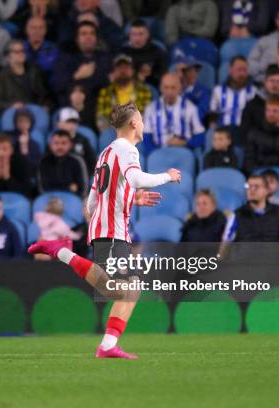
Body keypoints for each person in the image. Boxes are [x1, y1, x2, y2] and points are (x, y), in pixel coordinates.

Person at [29, 100, 181, 359]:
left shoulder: (106, 152)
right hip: (112, 229)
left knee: (128, 288)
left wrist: (132, 199)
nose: (143, 124)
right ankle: (62, 253)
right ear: (134, 123)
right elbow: (135, 179)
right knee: (118, 289)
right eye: (141, 119)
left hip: (106, 227)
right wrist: (167, 176)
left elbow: (93, 199)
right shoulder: (128, 150)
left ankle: (109, 345)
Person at [220, 174, 279, 260]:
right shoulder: (237, 214)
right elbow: (225, 244)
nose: (251, 190)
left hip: (273, 268)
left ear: (266, 190)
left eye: (256, 186)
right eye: (249, 186)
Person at [52, 21, 111, 106]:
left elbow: (107, 81)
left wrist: (88, 77)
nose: (88, 37)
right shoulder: (66, 59)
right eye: (83, 34)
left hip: (100, 106)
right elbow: (57, 85)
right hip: (70, 108)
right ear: (77, 39)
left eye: (92, 33)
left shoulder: (105, 58)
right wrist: (76, 76)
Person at [142, 73, 205, 152]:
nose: (169, 91)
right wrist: (155, 155)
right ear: (161, 88)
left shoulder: (191, 108)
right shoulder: (151, 109)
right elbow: (146, 137)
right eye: (166, 87)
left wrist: (184, 143)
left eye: (173, 88)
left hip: (183, 151)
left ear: (180, 88)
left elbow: (201, 136)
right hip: (159, 151)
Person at [96, 54, 152, 133]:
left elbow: (146, 114)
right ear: (114, 71)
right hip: (113, 131)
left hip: (135, 130)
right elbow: (101, 116)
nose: (123, 71)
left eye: (126, 68)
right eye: (119, 68)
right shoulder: (105, 92)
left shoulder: (143, 90)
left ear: (132, 71)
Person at [241, 65, 279, 137]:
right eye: (272, 81)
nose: (275, 85)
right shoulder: (252, 105)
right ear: (265, 82)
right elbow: (246, 131)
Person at [0, 40, 49, 112]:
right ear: (8, 57)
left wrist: (46, 106)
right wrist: (11, 106)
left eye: (22, 51)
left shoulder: (35, 71)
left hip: (35, 112)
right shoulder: (2, 77)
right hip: (15, 114)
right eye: (17, 52)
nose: (21, 53)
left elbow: (45, 95)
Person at [38, 129, 87, 197]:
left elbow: (83, 188)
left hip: (73, 198)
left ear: (70, 145)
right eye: (56, 143)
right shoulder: (44, 161)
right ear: (50, 145)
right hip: (49, 198)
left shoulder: (77, 161)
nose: (60, 147)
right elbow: (43, 188)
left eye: (64, 143)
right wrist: (68, 187)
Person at [210, 56, 257, 128]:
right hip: (222, 132)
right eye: (239, 69)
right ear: (230, 70)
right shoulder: (218, 91)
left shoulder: (253, 92)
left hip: (244, 132)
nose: (242, 73)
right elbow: (212, 116)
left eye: (244, 70)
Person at [120, 18, 167, 88]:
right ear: (129, 35)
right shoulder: (122, 53)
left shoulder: (157, 51)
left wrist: (150, 74)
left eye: (141, 34)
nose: (137, 38)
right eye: (134, 34)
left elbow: (164, 76)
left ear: (147, 35)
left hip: (151, 87)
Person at [56, 107, 96, 180]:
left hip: (80, 179)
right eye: (68, 122)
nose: (72, 125)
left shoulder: (83, 141)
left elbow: (92, 162)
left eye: (74, 122)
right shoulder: (53, 141)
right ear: (59, 124)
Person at [175, 56, 211, 120]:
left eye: (195, 70)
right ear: (182, 73)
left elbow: (201, 112)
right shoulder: (173, 89)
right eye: (189, 71)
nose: (193, 73)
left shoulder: (203, 90)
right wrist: (177, 81)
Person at [7, 108, 42, 173]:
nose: (23, 124)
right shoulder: (8, 139)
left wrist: (24, 147)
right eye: (20, 121)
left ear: (31, 124)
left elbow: (33, 168)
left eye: (26, 121)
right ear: (15, 123)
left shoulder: (34, 145)